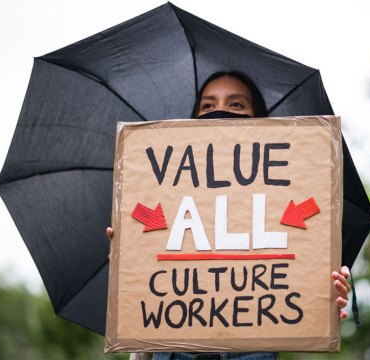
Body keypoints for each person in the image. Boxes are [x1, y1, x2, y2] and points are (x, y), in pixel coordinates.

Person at [107, 71, 351, 360]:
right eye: (208, 106)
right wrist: (132, 270)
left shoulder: (289, 193)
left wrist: (322, 297)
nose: (220, 111)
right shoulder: (162, 197)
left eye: (236, 105)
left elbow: (301, 285)